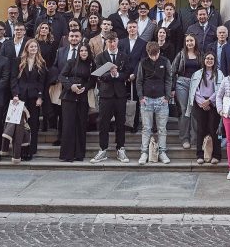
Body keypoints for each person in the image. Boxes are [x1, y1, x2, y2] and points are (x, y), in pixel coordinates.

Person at [91, 32, 130, 163]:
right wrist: (111, 74)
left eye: (114, 41)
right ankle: (103, 149)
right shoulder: (100, 56)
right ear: (106, 42)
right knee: (103, 123)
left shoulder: (124, 56)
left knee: (120, 123)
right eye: (109, 41)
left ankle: (120, 148)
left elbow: (127, 73)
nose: (112, 44)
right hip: (105, 95)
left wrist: (117, 74)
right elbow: (99, 74)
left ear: (117, 41)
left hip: (120, 95)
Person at [136, 41, 172, 165]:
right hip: (146, 99)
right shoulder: (143, 62)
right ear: (147, 53)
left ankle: (162, 152)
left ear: (159, 52)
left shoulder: (165, 61)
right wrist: (141, 97)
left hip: (161, 99)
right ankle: (144, 152)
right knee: (146, 128)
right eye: (152, 55)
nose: (154, 57)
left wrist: (167, 97)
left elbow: (168, 79)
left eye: (156, 55)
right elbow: (139, 81)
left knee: (162, 129)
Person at [10, 39, 47, 161]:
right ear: (26, 48)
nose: (33, 48)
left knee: (33, 124)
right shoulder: (18, 61)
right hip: (20, 97)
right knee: (19, 125)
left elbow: (42, 82)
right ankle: (19, 151)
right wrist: (15, 94)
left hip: (34, 97)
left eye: (35, 47)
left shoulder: (41, 62)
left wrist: (40, 97)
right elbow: (13, 79)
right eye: (31, 47)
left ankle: (30, 150)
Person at [59, 43, 95, 162]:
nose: (83, 53)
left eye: (86, 51)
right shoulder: (71, 62)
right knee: (68, 125)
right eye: (81, 51)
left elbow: (93, 80)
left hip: (83, 97)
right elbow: (61, 76)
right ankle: (67, 155)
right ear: (78, 52)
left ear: (89, 52)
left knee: (81, 125)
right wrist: (71, 86)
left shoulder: (92, 64)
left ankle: (79, 154)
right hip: (69, 97)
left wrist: (85, 87)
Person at [188, 51, 223, 165]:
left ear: (214, 61)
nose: (209, 60)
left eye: (211, 59)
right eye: (207, 58)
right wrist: (202, 102)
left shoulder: (219, 73)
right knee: (201, 129)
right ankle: (200, 154)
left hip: (214, 103)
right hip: (200, 104)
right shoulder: (198, 73)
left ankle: (216, 155)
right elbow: (194, 89)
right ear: (204, 60)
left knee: (214, 129)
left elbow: (220, 90)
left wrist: (209, 101)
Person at [171, 34, 202, 149]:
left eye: (191, 40)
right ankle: (185, 138)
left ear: (195, 42)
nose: (189, 43)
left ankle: (194, 138)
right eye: (187, 41)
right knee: (184, 110)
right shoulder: (181, 54)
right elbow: (172, 71)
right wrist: (172, 88)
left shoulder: (200, 54)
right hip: (182, 83)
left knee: (194, 110)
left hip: (196, 85)